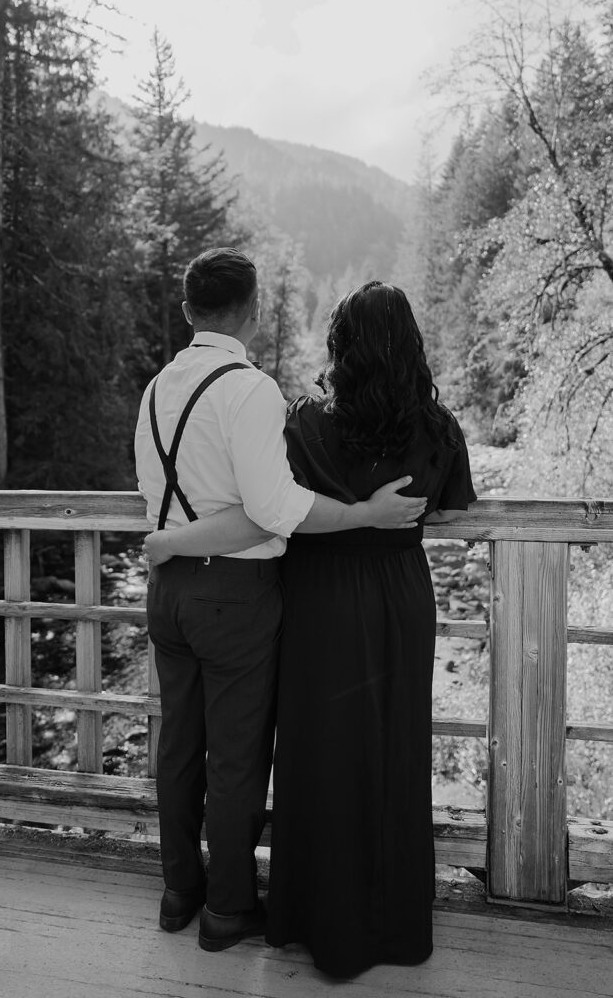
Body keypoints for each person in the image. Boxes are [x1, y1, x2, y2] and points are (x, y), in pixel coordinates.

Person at [146, 280, 477, 976]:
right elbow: (452, 506)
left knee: (315, 753)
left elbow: (275, 506)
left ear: (341, 345)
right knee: (392, 748)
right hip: (396, 595)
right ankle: (391, 921)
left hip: (317, 597)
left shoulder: (305, 422)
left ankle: (306, 913)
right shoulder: (436, 428)